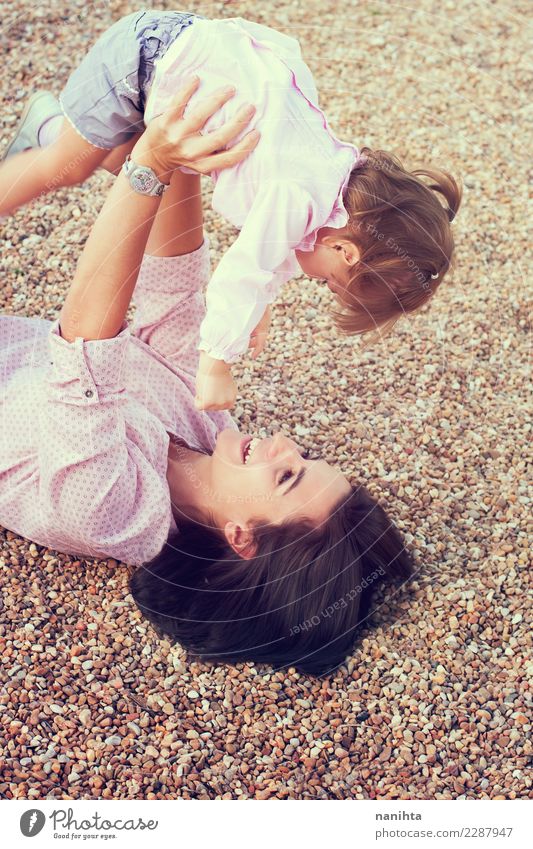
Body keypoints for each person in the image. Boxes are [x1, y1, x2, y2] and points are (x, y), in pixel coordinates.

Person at [0, 81, 412, 676]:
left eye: (288, 474)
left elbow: (83, 345)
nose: (283, 443)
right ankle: (50, 151)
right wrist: (182, 134)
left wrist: (151, 165)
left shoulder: (116, 514)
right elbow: (174, 289)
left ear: (242, 536)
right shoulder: (210, 427)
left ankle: (46, 153)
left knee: (96, 160)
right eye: (304, 453)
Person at [0, 9, 462, 412]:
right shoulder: (295, 194)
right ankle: (49, 136)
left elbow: (272, 262)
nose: (314, 280)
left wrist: (256, 312)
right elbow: (242, 273)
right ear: (344, 251)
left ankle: (56, 129)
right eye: (326, 282)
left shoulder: (332, 182)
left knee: (124, 169)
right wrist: (215, 363)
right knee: (66, 168)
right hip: (145, 63)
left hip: (186, 52)